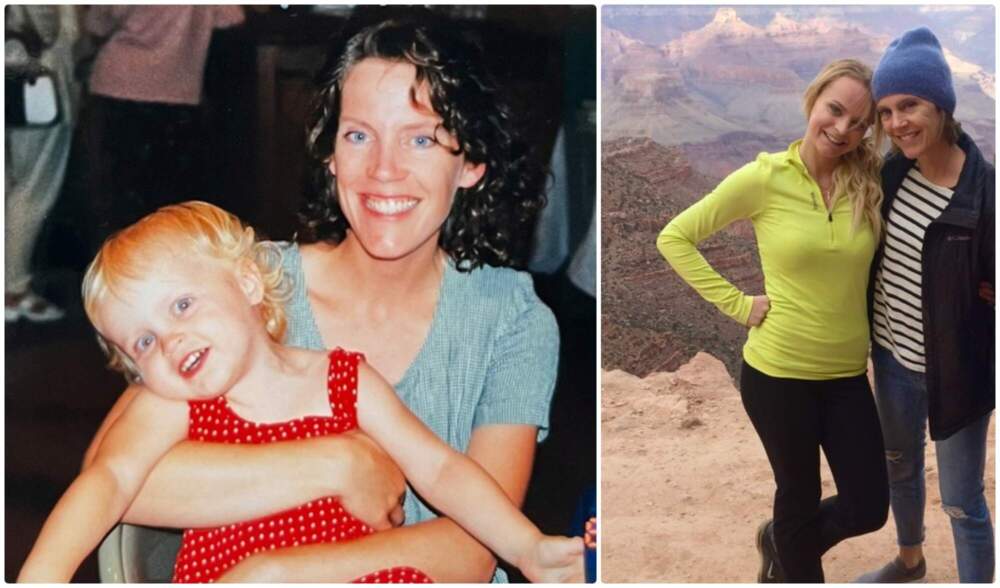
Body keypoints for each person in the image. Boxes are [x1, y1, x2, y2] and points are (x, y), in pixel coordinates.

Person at [83, 16, 559, 583]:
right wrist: (335, 463)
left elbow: (474, 549)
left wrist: (277, 574)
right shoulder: (249, 288)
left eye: (421, 138)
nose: (384, 170)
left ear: (471, 163)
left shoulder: (512, 320)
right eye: (359, 135)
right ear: (330, 153)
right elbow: (115, 481)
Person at [17, 202, 582, 583]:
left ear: (245, 283)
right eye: (141, 342)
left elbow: (441, 471)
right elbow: (108, 480)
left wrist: (527, 547)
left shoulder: (343, 380)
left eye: (182, 305)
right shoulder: (171, 403)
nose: (170, 342)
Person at [657, 59, 889, 582]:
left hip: (846, 376)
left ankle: (780, 543)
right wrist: (739, 305)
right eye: (835, 110)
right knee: (799, 499)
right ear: (812, 101)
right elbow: (674, 237)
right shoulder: (764, 178)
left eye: (859, 123)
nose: (843, 129)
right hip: (778, 374)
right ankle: (791, 559)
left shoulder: (869, 179)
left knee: (869, 507)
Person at [857, 27, 994, 584]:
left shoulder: (986, 195)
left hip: (959, 372)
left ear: (941, 104)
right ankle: (910, 561)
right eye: (886, 111)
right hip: (892, 361)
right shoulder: (891, 174)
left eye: (908, 105)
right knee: (901, 469)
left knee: (963, 501)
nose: (896, 123)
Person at [82, 5, 244, 242]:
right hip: (179, 95)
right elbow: (231, 17)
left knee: (117, 202)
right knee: (170, 201)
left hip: (121, 89)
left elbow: (97, 22)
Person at [5, 6, 80, 322]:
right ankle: (13, 289)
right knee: (34, 189)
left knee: (9, 185)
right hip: (39, 83)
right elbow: (62, 32)